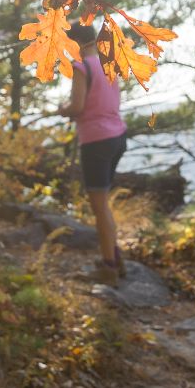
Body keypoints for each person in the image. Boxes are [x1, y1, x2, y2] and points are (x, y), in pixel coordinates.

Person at [59, 21, 128, 284]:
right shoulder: (108, 66)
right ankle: (115, 257)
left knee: (100, 208)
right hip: (117, 136)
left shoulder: (82, 67)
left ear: (76, 44)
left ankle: (109, 267)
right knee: (104, 204)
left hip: (96, 141)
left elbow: (77, 106)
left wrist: (62, 109)